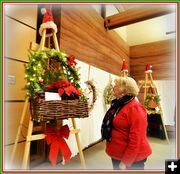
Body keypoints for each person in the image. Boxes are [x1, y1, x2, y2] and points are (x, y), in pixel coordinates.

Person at [105, 76, 152, 170]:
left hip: (132, 159)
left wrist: (126, 161)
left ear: (124, 90)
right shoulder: (119, 104)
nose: (113, 87)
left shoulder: (135, 108)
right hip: (118, 154)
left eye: (116, 85)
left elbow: (137, 138)